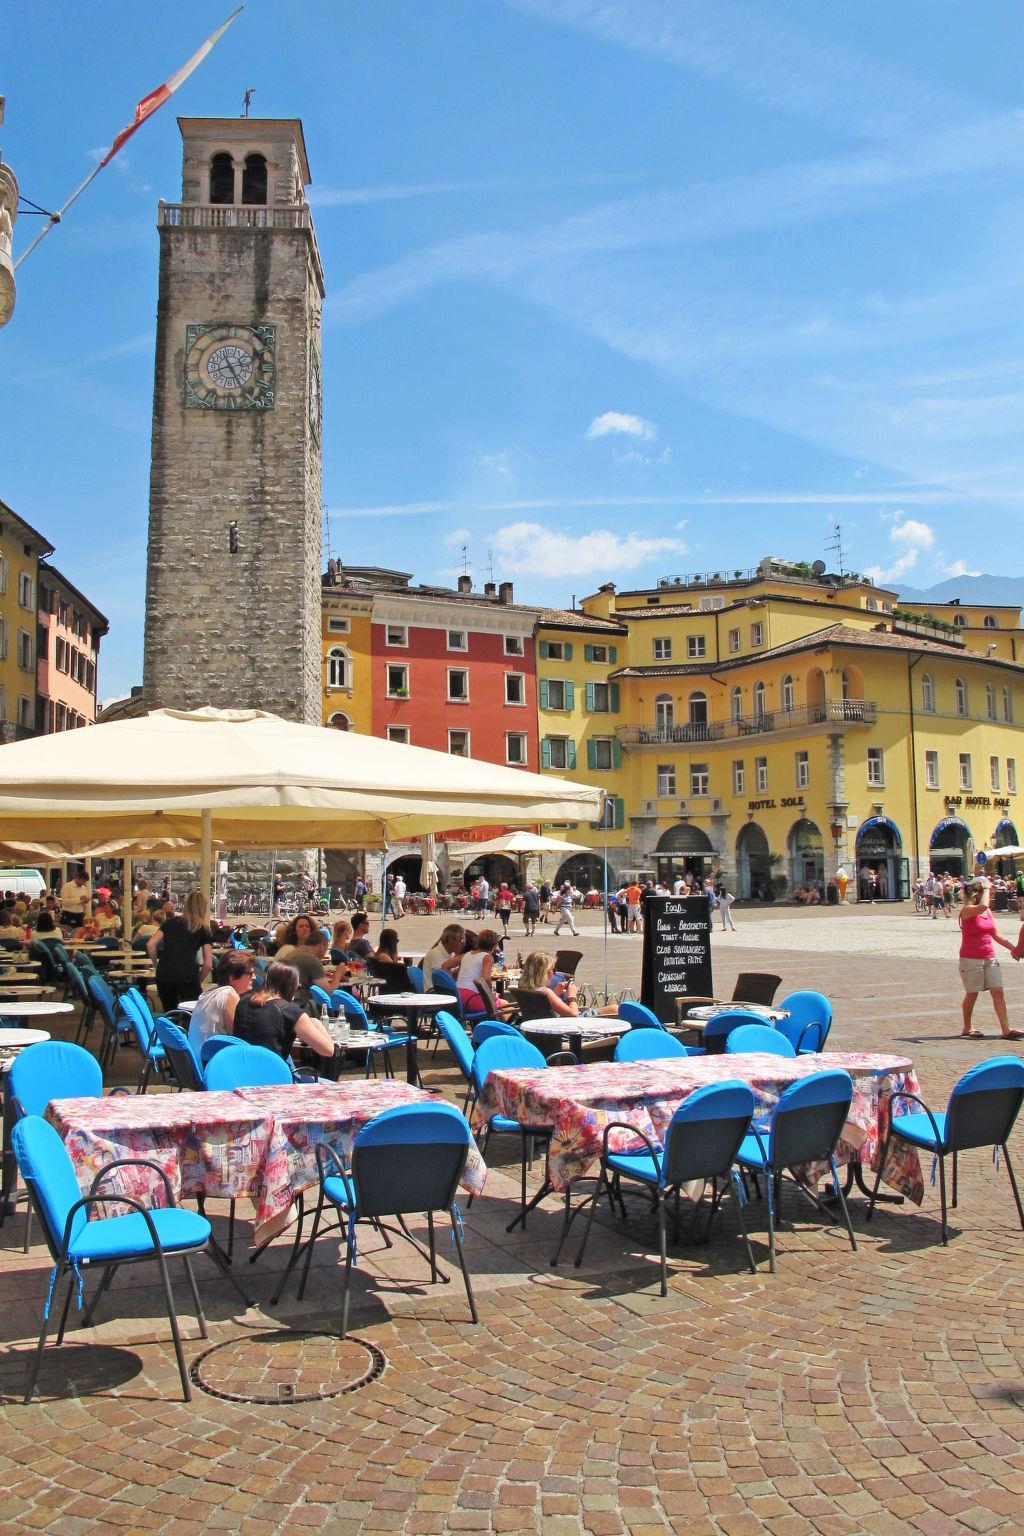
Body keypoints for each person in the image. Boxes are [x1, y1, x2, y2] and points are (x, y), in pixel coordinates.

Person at [232, 960, 339, 1067]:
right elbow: (328, 1050)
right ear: (291, 986)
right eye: (297, 986)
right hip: (273, 1073)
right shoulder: (290, 1011)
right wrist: (319, 1025)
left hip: (240, 1070)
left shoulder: (243, 1002)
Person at [957, 877, 1022, 1040]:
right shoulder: (967, 910)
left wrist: (1014, 949)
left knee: (998, 992)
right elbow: (984, 905)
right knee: (972, 993)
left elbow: (995, 934)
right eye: (988, 891)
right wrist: (986, 887)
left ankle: (1006, 1029)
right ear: (977, 893)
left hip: (989, 957)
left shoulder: (987, 912)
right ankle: (967, 1027)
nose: (991, 893)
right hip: (970, 959)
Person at [148, 889, 214, 1012]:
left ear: (186, 905)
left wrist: (156, 965)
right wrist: (198, 981)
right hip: (187, 975)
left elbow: (151, 944)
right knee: (190, 1014)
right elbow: (208, 965)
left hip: (165, 974)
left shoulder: (170, 923)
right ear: (203, 908)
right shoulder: (203, 929)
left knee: (170, 1013)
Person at [187, 951, 255, 1054]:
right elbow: (236, 1037)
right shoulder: (229, 994)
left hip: (195, 1057)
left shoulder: (208, 992)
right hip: (211, 1060)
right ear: (232, 976)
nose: (254, 977)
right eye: (250, 974)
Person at [518, 951, 617, 1017]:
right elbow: (574, 1014)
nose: (554, 973)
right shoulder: (546, 992)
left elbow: (543, 1006)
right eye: (553, 969)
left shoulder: (525, 988)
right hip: (570, 1026)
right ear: (544, 972)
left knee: (614, 1009)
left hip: (546, 1026)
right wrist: (572, 997)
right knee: (615, 1009)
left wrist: (555, 993)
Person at [456, 926, 505, 1013]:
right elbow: (485, 979)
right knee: (505, 1004)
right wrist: (490, 994)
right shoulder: (487, 957)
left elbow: (446, 965)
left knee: (499, 1006)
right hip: (472, 997)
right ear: (495, 945)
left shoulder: (467, 955)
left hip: (458, 994)